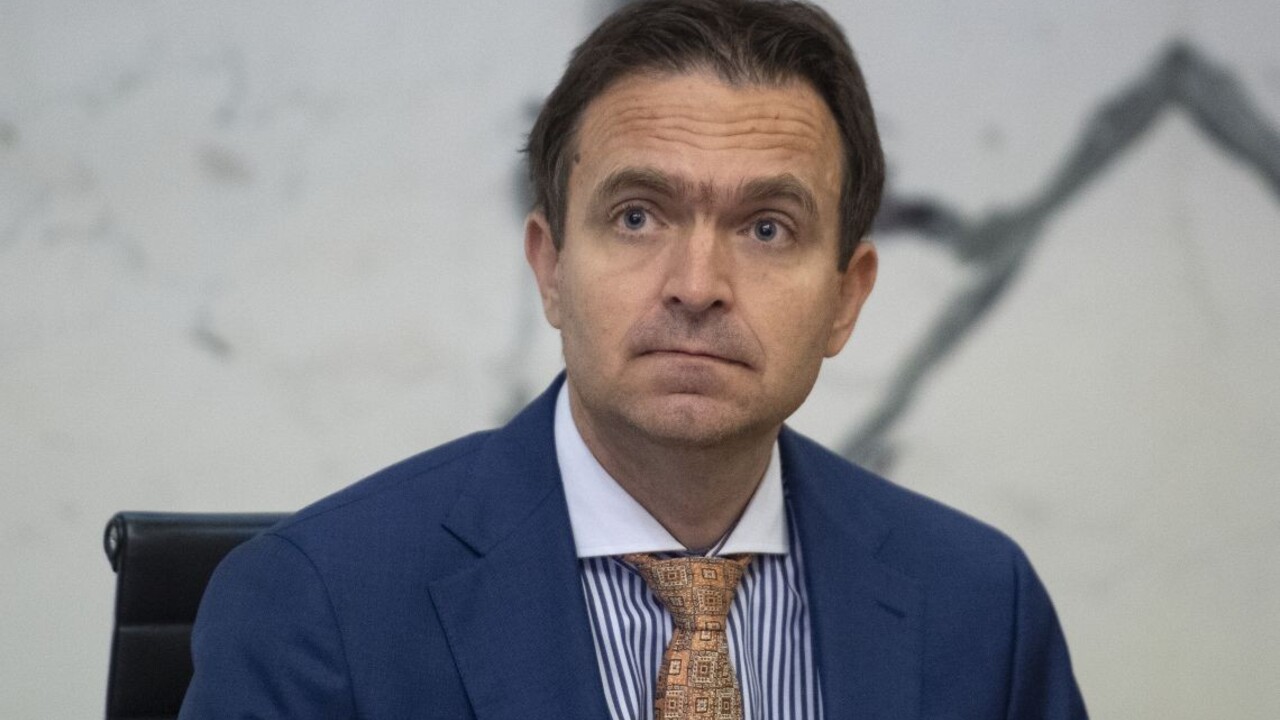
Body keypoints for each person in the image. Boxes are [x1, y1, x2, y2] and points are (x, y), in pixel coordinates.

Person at [180, 1, 1087, 718]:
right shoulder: (317, 606)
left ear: (846, 298)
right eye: (638, 216)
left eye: (767, 228)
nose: (697, 286)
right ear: (551, 268)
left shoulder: (981, 607)